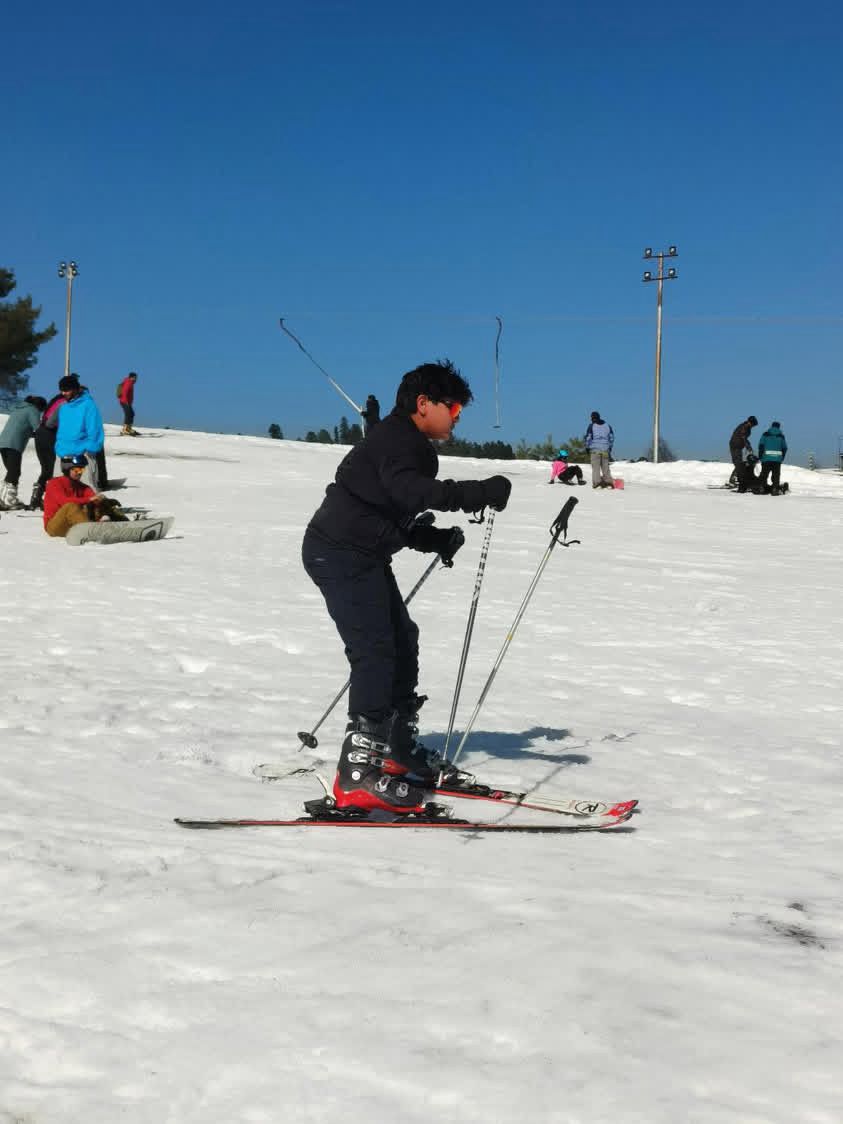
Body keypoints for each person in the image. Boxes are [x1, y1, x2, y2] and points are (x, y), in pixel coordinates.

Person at [302, 359, 512, 814]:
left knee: (401, 639)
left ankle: (392, 752)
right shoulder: (398, 441)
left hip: (359, 553)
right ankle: (358, 773)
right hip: (339, 554)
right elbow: (410, 493)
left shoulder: (406, 442)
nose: (457, 415)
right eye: (452, 405)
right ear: (423, 404)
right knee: (375, 651)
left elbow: (387, 508)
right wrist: (477, 492)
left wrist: (428, 537)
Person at [42, 454, 127, 537]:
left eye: (81, 470)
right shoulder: (54, 483)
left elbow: (94, 498)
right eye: (76, 470)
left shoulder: (82, 487)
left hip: (75, 525)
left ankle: (125, 524)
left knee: (100, 502)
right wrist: (89, 499)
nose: (79, 473)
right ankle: (93, 531)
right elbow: (64, 501)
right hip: (54, 526)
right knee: (70, 506)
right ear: (67, 470)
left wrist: (104, 501)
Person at [54, 374, 105, 493]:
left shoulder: (88, 405)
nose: (63, 393)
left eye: (66, 390)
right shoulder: (63, 408)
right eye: (61, 390)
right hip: (63, 455)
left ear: (75, 389)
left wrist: (89, 449)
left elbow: (95, 429)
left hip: (82, 456)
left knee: (86, 492)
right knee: (60, 491)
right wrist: (58, 447)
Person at [0, 395, 47, 509]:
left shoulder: (18, 409)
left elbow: (21, 427)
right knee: (14, 472)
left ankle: (3, 499)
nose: (40, 412)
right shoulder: (33, 410)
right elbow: (38, 428)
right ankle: (9, 500)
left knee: (12, 472)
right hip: (14, 444)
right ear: (39, 406)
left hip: (3, 443)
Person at [585, 411, 614, 488]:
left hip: (595, 450)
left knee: (596, 468)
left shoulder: (591, 426)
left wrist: (587, 447)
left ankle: (597, 482)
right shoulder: (608, 426)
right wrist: (610, 447)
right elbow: (611, 438)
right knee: (605, 467)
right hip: (605, 450)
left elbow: (588, 437)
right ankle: (608, 482)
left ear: (592, 418)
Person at [758, 421, 787, 495]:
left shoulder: (765, 434)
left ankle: (762, 488)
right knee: (776, 475)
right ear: (779, 427)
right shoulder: (781, 436)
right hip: (777, 460)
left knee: (764, 474)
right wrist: (782, 457)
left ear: (771, 426)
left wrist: (760, 456)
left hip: (766, 459)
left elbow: (761, 445)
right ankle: (775, 489)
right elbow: (785, 448)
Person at [728, 415, 758, 488]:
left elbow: (744, 438)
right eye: (753, 425)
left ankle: (737, 479)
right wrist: (747, 446)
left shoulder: (746, 426)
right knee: (738, 464)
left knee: (739, 463)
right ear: (750, 422)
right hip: (735, 446)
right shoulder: (745, 427)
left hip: (737, 446)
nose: (753, 427)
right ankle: (733, 480)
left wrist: (748, 445)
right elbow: (743, 437)